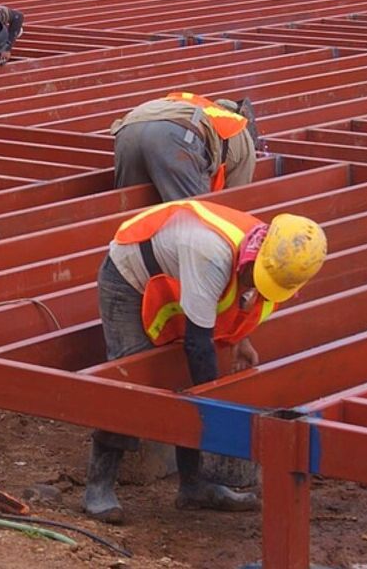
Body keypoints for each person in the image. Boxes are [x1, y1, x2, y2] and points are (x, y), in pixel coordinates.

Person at [84, 199, 327, 524]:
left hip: (176, 278)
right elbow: (199, 345)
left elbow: (240, 293)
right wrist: (217, 417)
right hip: (127, 278)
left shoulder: (271, 248)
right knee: (130, 377)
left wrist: (240, 339)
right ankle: (98, 487)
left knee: (189, 382)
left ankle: (194, 485)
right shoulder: (210, 253)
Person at [111, 92, 259, 200]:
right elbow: (234, 199)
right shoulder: (240, 131)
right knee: (193, 218)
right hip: (174, 135)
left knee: (131, 210)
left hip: (128, 128)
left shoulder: (202, 107)